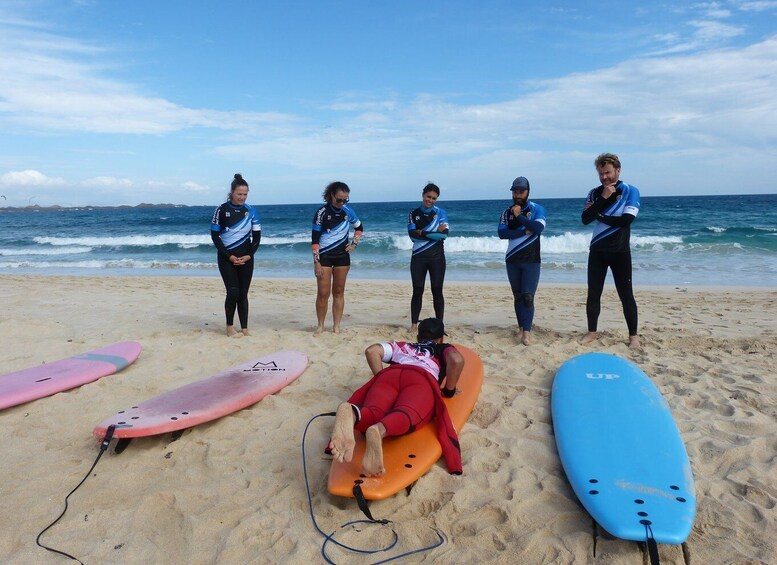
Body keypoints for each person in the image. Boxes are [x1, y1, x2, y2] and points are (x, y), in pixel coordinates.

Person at [328, 318, 465, 477]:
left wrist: (379, 380)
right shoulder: (442, 348)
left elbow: (372, 351)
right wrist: (449, 391)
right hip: (421, 381)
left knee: (374, 411)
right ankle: (379, 430)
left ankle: (352, 412)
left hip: (390, 375)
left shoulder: (403, 345)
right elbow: (456, 360)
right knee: (406, 413)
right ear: (441, 338)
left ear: (418, 337)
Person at [581, 153, 641, 349]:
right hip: (597, 250)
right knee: (593, 293)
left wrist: (599, 215)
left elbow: (625, 221)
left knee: (626, 294)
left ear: (618, 170)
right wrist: (603, 199)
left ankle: (633, 336)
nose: (604, 177)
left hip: (620, 251)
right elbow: (585, 219)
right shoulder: (594, 193)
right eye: (601, 174)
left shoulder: (630, 191)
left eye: (607, 172)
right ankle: (592, 332)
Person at [210, 173, 262, 337]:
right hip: (227, 258)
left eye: (245, 194)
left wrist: (249, 255)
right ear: (232, 192)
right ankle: (230, 327)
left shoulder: (251, 211)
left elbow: (257, 237)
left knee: (243, 293)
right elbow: (215, 236)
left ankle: (245, 327)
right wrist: (229, 256)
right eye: (239, 194)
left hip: (246, 257)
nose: (242, 197)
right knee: (233, 291)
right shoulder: (221, 210)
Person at [498, 176, 547, 346]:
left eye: (521, 191)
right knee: (518, 296)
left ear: (527, 192)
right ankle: (520, 328)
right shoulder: (506, 212)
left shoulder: (537, 209)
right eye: (515, 191)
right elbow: (502, 233)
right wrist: (524, 231)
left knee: (528, 297)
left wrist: (520, 218)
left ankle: (527, 333)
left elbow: (538, 228)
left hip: (531, 260)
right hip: (512, 259)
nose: (517, 194)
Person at [311, 181, 364, 334]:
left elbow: (359, 228)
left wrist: (354, 243)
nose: (342, 203)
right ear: (332, 196)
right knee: (323, 293)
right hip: (324, 256)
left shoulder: (348, 212)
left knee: (339, 292)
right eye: (339, 199)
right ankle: (320, 325)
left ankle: (336, 327)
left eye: (345, 200)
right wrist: (317, 262)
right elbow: (314, 240)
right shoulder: (321, 212)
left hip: (342, 257)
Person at [407, 183, 449, 334]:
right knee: (417, 290)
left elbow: (444, 235)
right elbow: (412, 235)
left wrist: (421, 232)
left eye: (434, 198)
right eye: (428, 196)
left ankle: (440, 325)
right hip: (418, 257)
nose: (430, 200)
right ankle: (413, 324)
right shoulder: (413, 213)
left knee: (437, 290)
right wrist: (433, 233)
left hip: (437, 258)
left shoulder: (441, 213)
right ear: (423, 195)